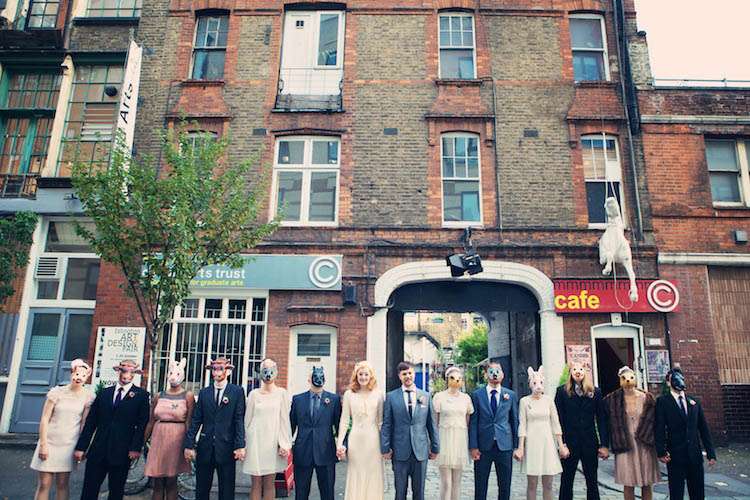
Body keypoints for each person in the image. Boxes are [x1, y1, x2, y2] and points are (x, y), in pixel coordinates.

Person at [75, 359, 150, 500]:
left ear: (135, 374)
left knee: (116, 491)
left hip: (122, 452)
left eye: (131, 372)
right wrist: (81, 447)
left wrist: (135, 448)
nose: (126, 375)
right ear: (118, 371)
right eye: (123, 371)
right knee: (89, 489)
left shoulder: (141, 395)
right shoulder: (104, 393)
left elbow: (142, 425)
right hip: (98, 450)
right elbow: (91, 422)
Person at [31, 359, 95, 500]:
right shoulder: (56, 392)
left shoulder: (88, 397)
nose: (79, 378)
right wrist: (43, 444)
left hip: (69, 445)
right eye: (77, 374)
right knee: (44, 484)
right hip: (49, 442)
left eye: (83, 375)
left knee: (62, 484)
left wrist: (82, 447)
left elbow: (84, 424)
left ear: (87, 377)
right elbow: (45, 419)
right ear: (71, 373)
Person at [183, 358, 246, 500]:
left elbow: (239, 419)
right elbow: (196, 419)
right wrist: (189, 444)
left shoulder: (236, 392)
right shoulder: (204, 393)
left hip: (226, 447)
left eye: (220, 369)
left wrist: (240, 445)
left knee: (227, 491)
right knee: (202, 489)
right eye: (214, 369)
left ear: (228, 371)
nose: (217, 372)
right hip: (205, 447)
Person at [655, 366, 716, 500]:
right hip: (675, 456)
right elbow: (659, 427)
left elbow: (703, 428)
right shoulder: (663, 402)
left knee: (698, 493)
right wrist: (661, 451)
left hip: (695, 455)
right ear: (668, 382)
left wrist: (711, 453)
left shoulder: (694, 402)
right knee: (676, 493)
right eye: (674, 378)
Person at [380, 361, 439, 500]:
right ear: (399, 376)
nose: (407, 376)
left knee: (419, 493)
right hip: (400, 451)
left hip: (420, 451)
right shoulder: (391, 397)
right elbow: (387, 424)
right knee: (400, 493)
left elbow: (432, 424)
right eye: (404, 374)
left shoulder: (425, 396)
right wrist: (385, 448)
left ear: (414, 374)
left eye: (410, 373)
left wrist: (435, 447)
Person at [554, 362, 609, 500]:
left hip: (589, 442)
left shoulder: (595, 392)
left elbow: (601, 419)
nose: (577, 372)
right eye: (574, 369)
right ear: (570, 372)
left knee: (592, 480)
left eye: (580, 369)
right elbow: (558, 420)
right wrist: (561, 444)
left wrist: (604, 445)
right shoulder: (562, 392)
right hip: (569, 442)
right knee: (567, 480)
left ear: (585, 371)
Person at [514, 366, 568, 500]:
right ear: (530, 384)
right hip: (532, 443)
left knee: (548, 484)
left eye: (540, 383)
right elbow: (522, 424)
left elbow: (555, 423)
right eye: (534, 383)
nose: (538, 386)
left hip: (547, 442)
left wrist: (561, 445)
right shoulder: (524, 401)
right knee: (532, 483)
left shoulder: (549, 400)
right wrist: (520, 447)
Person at [605, 366, 659, 500]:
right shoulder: (612, 400)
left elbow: (655, 421)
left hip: (644, 443)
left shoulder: (647, 398)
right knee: (628, 482)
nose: (628, 381)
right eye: (624, 378)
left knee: (647, 481)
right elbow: (605, 422)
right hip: (624, 443)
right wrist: (605, 445)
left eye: (631, 377)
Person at [144, 358, 194, 500]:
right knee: (157, 481)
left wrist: (189, 444)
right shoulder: (159, 396)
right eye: (171, 373)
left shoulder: (188, 396)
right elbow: (151, 421)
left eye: (176, 374)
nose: (173, 377)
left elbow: (189, 421)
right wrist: (142, 440)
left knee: (172, 480)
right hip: (158, 439)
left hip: (177, 440)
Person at [243, 358, 292, 500]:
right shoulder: (253, 394)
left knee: (270, 483)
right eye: (265, 368)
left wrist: (284, 444)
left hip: (272, 443)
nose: (268, 372)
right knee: (256, 483)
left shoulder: (282, 394)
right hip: (255, 443)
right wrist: (244, 445)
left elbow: (284, 421)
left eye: (271, 368)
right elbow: (247, 421)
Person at [469, 362, 519, 500]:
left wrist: (517, 446)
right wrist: (473, 446)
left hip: (504, 445)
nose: (495, 374)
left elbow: (514, 421)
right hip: (483, 446)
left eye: (498, 371)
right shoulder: (477, 395)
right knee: (480, 484)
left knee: (505, 485)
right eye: (491, 371)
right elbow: (473, 422)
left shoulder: (510, 395)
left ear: (503, 374)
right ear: (486, 375)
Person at [290, 366, 341, 500]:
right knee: (301, 493)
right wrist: (284, 445)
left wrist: (343, 445)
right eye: (314, 376)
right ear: (309, 379)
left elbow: (339, 426)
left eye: (321, 376)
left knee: (327, 493)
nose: (318, 379)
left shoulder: (334, 400)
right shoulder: (298, 400)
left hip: (326, 452)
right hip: (303, 452)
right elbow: (291, 425)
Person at [336, 360, 385, 500]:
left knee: (373, 473)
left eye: (366, 374)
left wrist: (385, 445)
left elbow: (381, 422)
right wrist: (340, 443)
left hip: (373, 440)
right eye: (360, 374)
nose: (363, 377)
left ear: (371, 376)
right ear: (356, 376)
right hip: (355, 440)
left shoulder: (379, 394)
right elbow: (344, 420)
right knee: (355, 472)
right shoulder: (349, 394)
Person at [433, 366, 473, 500]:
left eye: (459, 378)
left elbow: (467, 420)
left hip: (459, 440)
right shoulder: (439, 397)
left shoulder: (466, 398)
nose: (456, 380)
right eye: (452, 378)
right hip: (445, 439)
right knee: (446, 483)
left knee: (457, 482)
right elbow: (435, 421)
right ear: (447, 379)